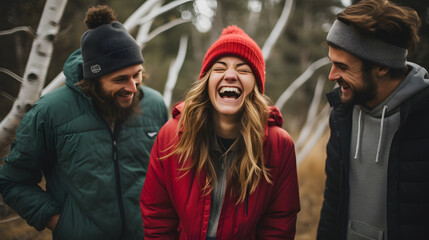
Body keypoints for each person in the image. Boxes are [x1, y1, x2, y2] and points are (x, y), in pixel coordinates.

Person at [0, 5, 168, 240]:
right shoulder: (49, 112)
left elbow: (166, 177)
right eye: (120, 79)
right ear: (93, 78)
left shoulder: (155, 104)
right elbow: (13, 182)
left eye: (137, 74)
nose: (133, 87)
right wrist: (61, 223)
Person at [140, 25, 300, 239]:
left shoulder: (279, 145)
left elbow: (278, 225)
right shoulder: (171, 136)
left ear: (255, 84)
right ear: (207, 81)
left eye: (243, 69)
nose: (231, 75)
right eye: (220, 68)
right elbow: (157, 217)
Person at [317, 0, 429, 239]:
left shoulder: (423, 118)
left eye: (342, 67)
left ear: (382, 67)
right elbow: (332, 205)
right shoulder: (342, 112)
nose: (332, 76)